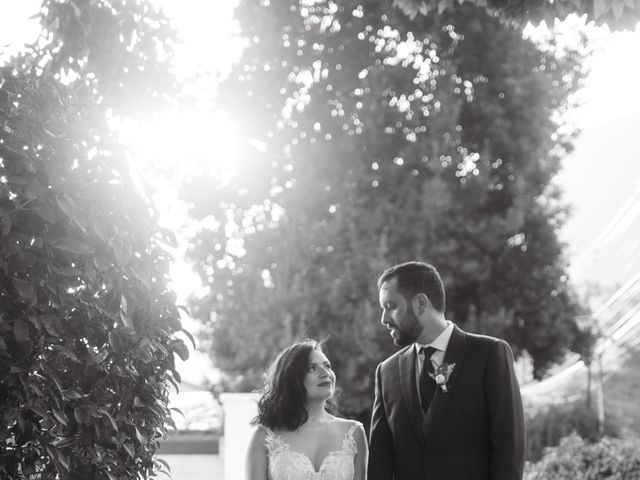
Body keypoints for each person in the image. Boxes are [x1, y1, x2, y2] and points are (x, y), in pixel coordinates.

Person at [368, 261, 525, 480]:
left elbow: (510, 447)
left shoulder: (488, 354)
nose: (384, 319)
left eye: (391, 307)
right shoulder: (386, 372)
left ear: (421, 303)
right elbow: (379, 462)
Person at [246, 340, 368, 480]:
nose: (325, 373)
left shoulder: (354, 433)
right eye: (312, 368)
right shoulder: (264, 436)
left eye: (327, 366)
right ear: (291, 378)